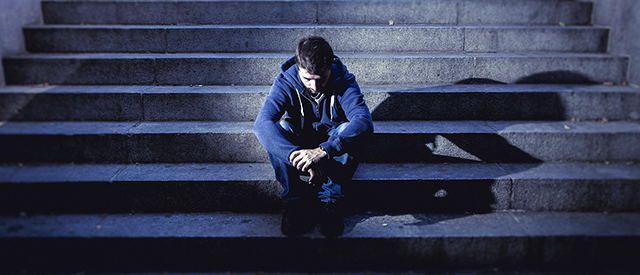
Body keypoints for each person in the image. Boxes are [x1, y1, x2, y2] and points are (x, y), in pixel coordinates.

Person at [253, 36, 374, 237]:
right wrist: (298, 156)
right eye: (307, 79)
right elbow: (262, 124)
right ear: (298, 67)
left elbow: (364, 122)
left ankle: (331, 201)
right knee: (280, 127)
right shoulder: (285, 82)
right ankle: (295, 202)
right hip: (300, 142)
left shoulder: (344, 81)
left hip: (330, 142)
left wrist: (324, 151)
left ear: (330, 65)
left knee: (347, 129)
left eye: (321, 79)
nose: (314, 86)